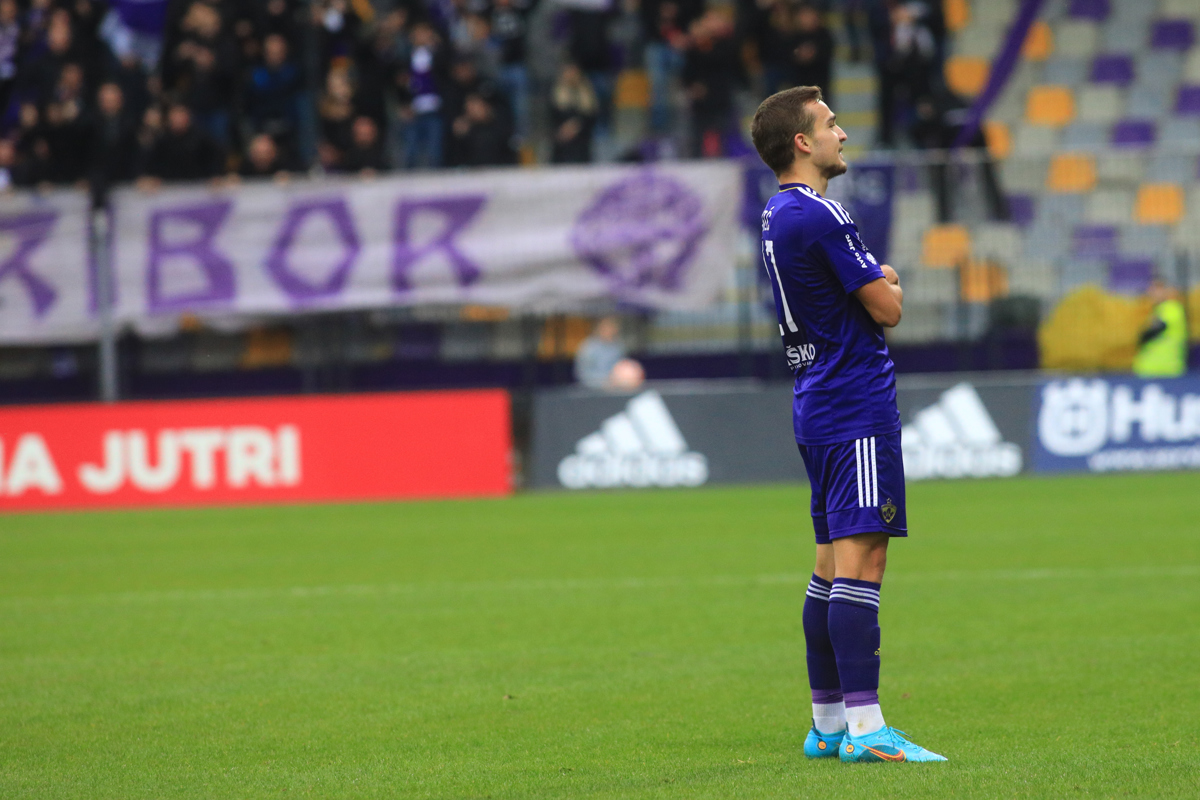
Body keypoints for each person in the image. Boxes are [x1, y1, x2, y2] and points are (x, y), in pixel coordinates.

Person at [750, 85, 945, 763]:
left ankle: (828, 724)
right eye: (831, 124)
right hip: (855, 402)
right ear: (803, 142)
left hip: (815, 399)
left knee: (829, 565)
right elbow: (887, 309)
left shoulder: (776, 214)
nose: (843, 134)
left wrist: (872, 280)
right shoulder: (822, 213)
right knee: (864, 562)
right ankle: (867, 730)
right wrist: (887, 282)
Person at [1133, 278, 1188, 378]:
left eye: (1158, 288)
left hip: (1166, 370)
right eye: (1151, 289)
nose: (1153, 292)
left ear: (1168, 290)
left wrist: (1142, 336)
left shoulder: (1172, 307)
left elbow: (1157, 329)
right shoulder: (1156, 310)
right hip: (1149, 370)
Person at [574, 317, 644, 391]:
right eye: (606, 326)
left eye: (612, 326)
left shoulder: (618, 346)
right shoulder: (588, 347)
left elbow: (623, 367)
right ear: (599, 328)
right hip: (592, 391)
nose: (610, 330)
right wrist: (604, 382)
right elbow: (582, 374)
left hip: (616, 390)